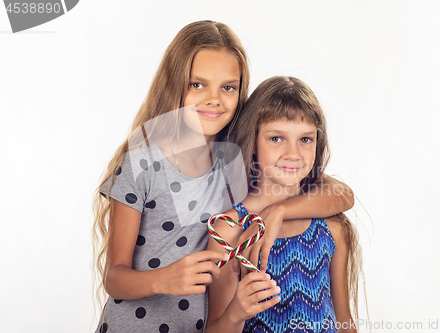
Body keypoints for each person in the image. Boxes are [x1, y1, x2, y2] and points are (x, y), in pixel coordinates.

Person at [92, 20, 354, 332]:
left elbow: (342, 194)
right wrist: (163, 278)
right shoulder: (140, 163)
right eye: (197, 84)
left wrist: (279, 210)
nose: (214, 99)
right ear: (174, 84)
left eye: (227, 87)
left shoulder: (238, 159)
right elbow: (114, 278)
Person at [206, 76, 362, 333]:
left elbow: (344, 323)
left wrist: (278, 211)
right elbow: (214, 328)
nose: (293, 153)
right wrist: (236, 313)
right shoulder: (230, 230)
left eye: (305, 139)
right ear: (252, 141)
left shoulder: (331, 227)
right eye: (276, 138)